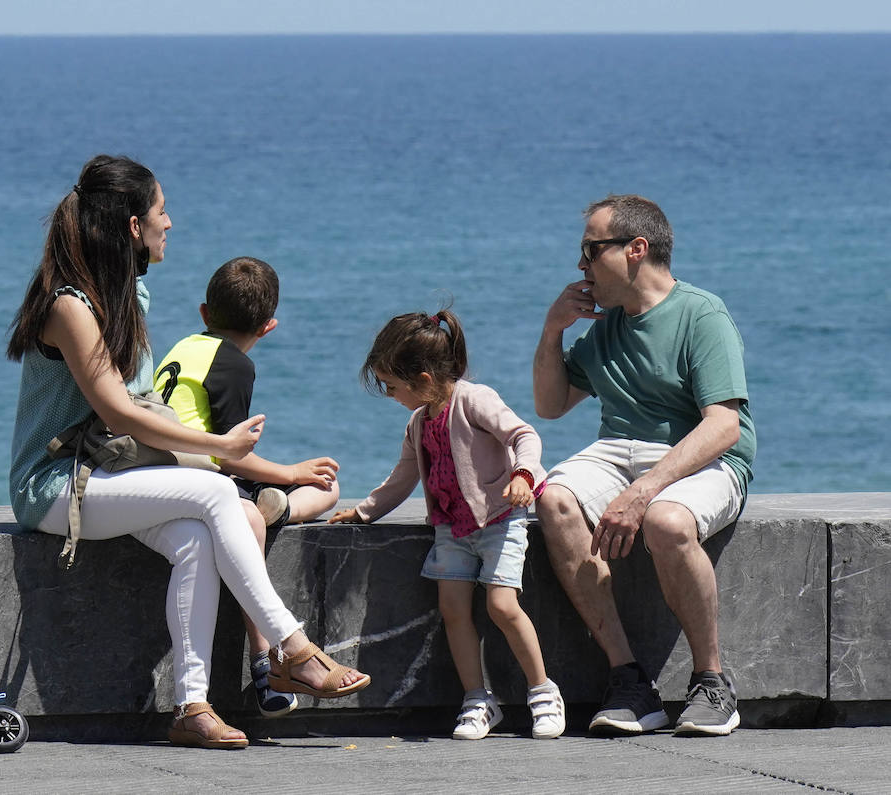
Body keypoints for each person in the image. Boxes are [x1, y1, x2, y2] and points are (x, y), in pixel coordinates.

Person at [7, 155, 370, 750]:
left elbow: (144, 411)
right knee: (216, 490)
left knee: (198, 538)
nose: (169, 223)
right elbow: (121, 413)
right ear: (132, 226)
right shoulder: (71, 305)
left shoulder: (125, 293)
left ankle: (192, 707)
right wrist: (221, 449)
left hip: (111, 473)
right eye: (160, 211)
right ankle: (292, 647)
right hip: (56, 484)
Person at [532, 194, 756, 737]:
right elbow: (551, 405)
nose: (580, 266)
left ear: (636, 249)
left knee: (667, 521)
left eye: (590, 250)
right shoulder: (606, 327)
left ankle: (711, 682)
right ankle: (629, 680)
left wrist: (645, 492)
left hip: (703, 455)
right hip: (618, 450)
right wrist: (552, 329)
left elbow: (723, 424)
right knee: (554, 499)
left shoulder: (700, 313)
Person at [329, 308, 566, 741]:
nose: (389, 394)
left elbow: (524, 436)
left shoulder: (474, 399)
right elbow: (403, 476)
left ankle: (543, 692)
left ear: (422, 378)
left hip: (499, 518)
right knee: (453, 610)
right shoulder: (418, 422)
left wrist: (523, 475)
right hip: (451, 528)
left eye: (393, 386)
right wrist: (364, 511)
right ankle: (478, 699)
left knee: (502, 606)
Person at [153, 255, 341, 717]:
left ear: (204, 314)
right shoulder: (234, 364)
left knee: (315, 491)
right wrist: (292, 472)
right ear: (269, 326)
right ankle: (267, 662)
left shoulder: (183, 347)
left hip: (163, 473)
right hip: (202, 479)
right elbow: (227, 452)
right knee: (315, 489)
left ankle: (280, 509)